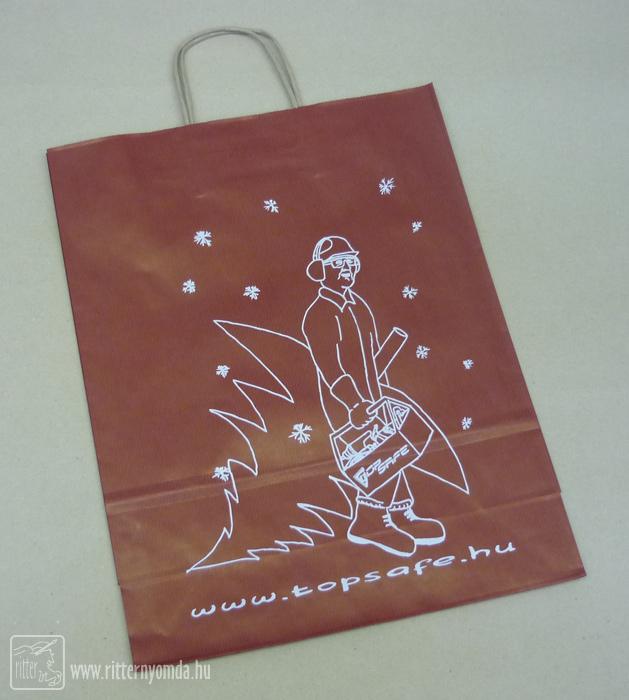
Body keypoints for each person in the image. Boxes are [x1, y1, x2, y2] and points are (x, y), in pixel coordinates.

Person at [301, 235, 465, 557]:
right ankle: (370, 520)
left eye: (352, 262)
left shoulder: (358, 304)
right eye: (339, 263)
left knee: (393, 450)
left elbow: (371, 356)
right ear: (321, 270)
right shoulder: (319, 314)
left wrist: (381, 390)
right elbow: (330, 368)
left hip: (375, 395)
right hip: (348, 404)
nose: (348, 269)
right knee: (373, 457)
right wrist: (354, 403)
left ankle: (400, 512)